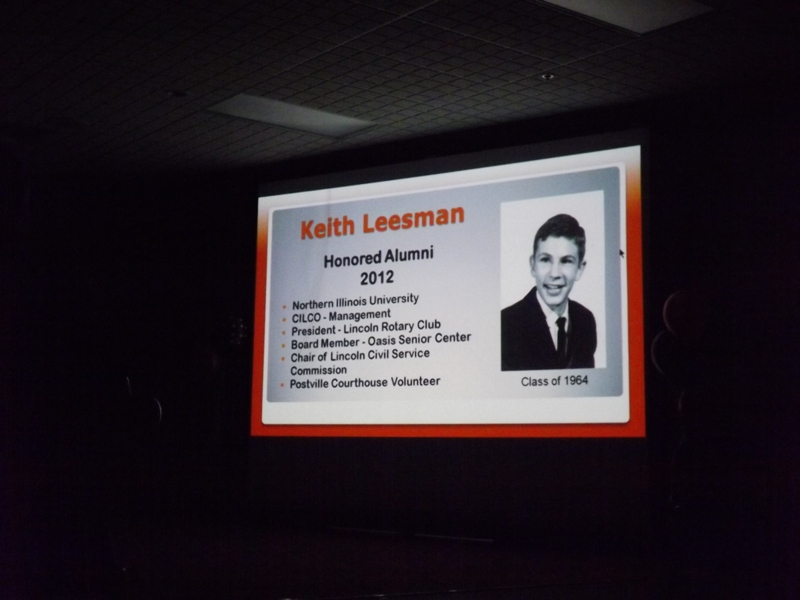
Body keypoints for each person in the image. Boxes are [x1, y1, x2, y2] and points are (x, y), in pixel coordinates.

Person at [501, 214, 596, 370]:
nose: (554, 274)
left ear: (580, 268)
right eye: (545, 259)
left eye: (566, 261)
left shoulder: (585, 320)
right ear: (533, 265)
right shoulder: (506, 325)